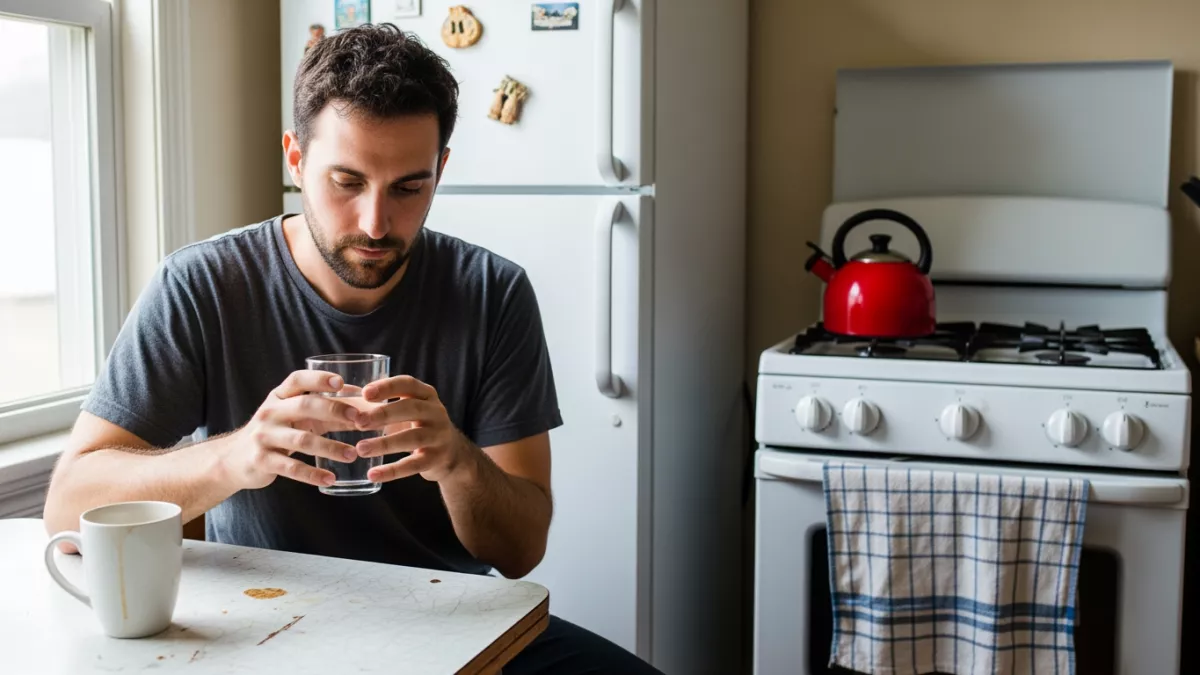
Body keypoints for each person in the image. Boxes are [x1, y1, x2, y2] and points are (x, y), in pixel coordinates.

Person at [43, 23, 663, 675]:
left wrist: (455, 458)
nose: (375, 222)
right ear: (295, 159)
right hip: (265, 621)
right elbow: (68, 501)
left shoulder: (491, 291)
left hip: (453, 620)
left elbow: (520, 549)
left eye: (408, 187)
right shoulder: (202, 285)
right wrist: (238, 452)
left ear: (440, 170)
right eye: (346, 181)